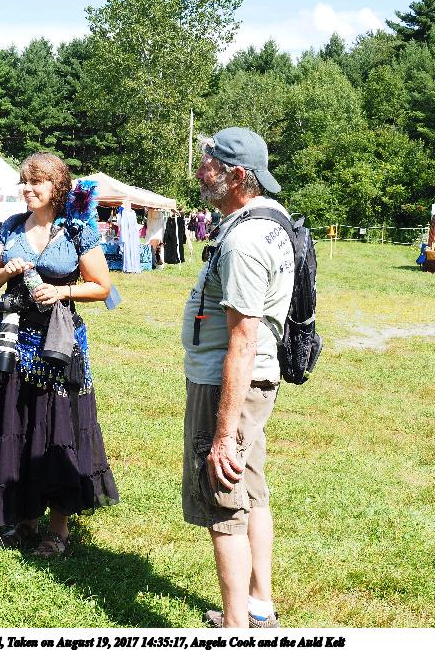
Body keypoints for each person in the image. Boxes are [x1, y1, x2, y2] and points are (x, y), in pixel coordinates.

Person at [0, 152, 119, 558]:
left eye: (37, 182)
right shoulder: (11, 226)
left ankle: (58, 530)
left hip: (58, 346)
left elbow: (102, 286)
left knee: (56, 429)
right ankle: (26, 518)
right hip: (10, 343)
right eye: (24, 182)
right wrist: (7, 271)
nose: (27, 189)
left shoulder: (77, 230)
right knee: (16, 422)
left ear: (57, 187)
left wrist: (62, 290)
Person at [180, 128, 294, 628]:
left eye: (209, 163)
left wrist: (223, 435)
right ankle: (258, 605)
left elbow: (242, 339)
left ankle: (236, 629)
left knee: (224, 498)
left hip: (229, 385)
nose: (200, 171)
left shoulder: (244, 240)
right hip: (253, 382)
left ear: (237, 175)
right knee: (251, 490)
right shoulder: (271, 220)